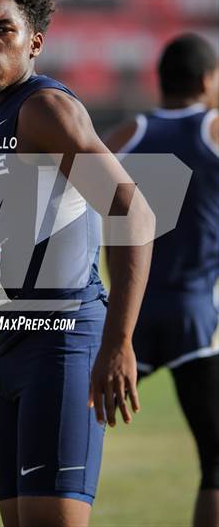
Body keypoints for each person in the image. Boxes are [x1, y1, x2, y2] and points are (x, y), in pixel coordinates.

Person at [0, 0, 154, 527]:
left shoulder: (44, 109)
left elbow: (132, 211)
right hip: (14, 356)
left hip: (64, 349)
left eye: (1, 30)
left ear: (34, 42)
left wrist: (118, 343)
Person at [104, 33, 219, 527]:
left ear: (162, 80)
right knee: (215, 462)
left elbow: (69, 198)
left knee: (68, 430)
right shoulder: (215, 130)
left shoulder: (127, 133)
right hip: (199, 316)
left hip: (129, 315)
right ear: (206, 80)